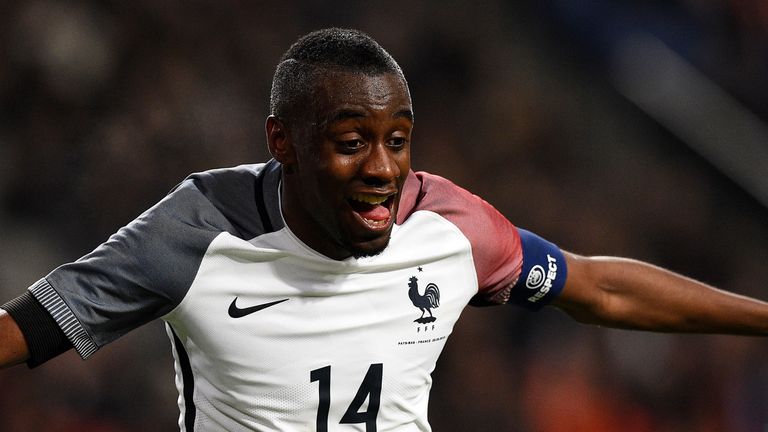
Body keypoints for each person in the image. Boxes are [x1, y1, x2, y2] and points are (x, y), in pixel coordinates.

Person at [1, 27, 766, 431]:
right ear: (283, 143)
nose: (382, 168)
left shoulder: (450, 225)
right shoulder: (200, 230)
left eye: (398, 140)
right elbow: (24, 332)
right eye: (349, 142)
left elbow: (596, 286)